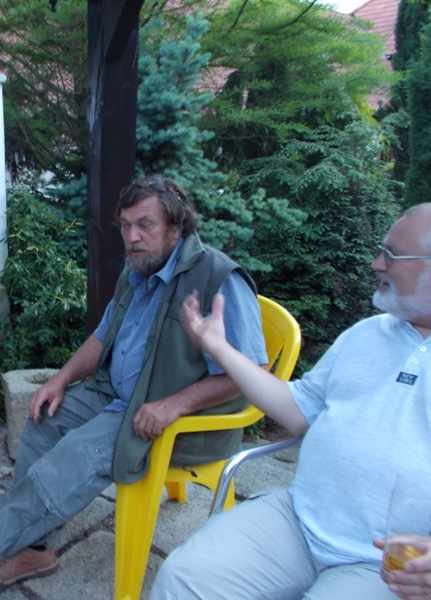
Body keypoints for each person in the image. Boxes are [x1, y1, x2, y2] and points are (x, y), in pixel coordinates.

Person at [0, 175, 268, 587]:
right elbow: (103, 335)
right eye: (126, 225)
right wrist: (61, 379)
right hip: (117, 395)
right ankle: (33, 549)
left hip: (170, 417)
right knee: (44, 418)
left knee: (76, 455)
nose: (132, 237)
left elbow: (254, 374)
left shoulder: (218, 278)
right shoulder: (139, 268)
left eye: (145, 225)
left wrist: (173, 405)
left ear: (177, 228)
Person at [154, 203, 431, 600]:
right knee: (183, 578)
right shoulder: (368, 334)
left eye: (392, 254)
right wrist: (220, 349)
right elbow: (298, 410)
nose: (376, 264)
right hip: (299, 520)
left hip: (386, 563)